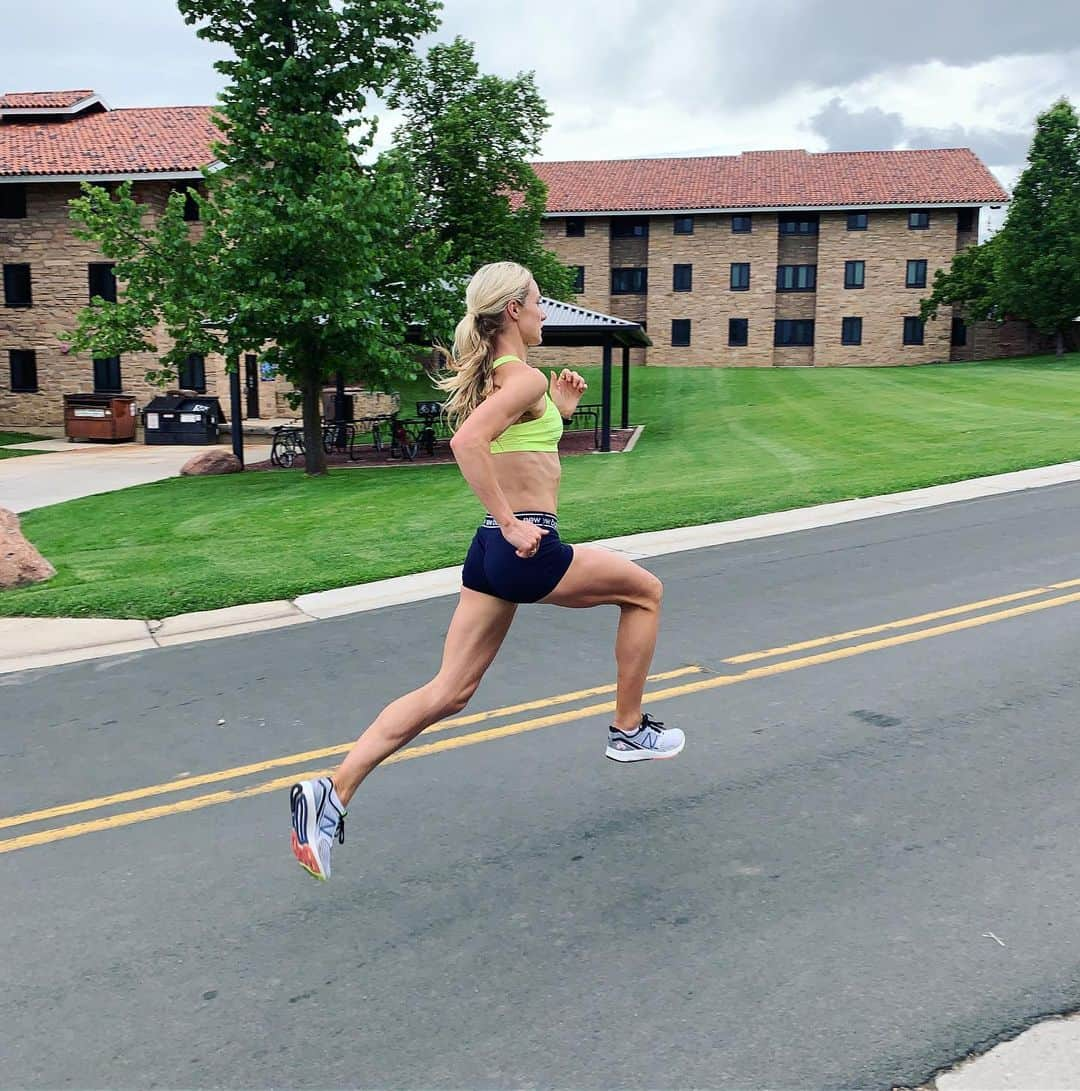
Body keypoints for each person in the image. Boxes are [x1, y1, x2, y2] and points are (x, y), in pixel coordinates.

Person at [289, 261, 685, 880]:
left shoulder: (505, 382)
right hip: (523, 547)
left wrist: (554, 410)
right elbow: (467, 445)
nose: (545, 313)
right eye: (538, 303)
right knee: (646, 594)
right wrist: (509, 521)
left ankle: (330, 794)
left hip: (491, 554)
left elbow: (524, 459)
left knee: (449, 692)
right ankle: (628, 730)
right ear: (513, 312)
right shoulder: (519, 379)